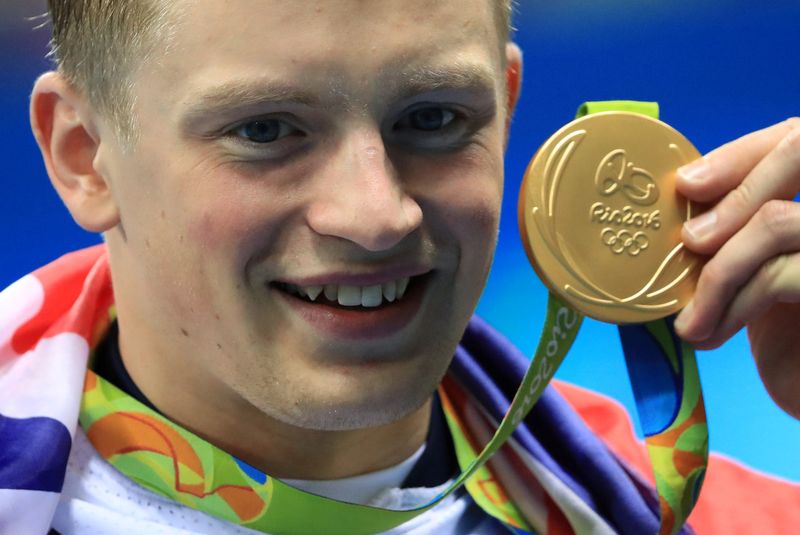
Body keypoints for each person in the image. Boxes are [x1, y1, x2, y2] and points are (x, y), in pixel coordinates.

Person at [0, 1, 798, 533]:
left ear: (507, 105)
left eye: (434, 118)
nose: (378, 215)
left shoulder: (708, 514)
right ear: (84, 157)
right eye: (267, 130)